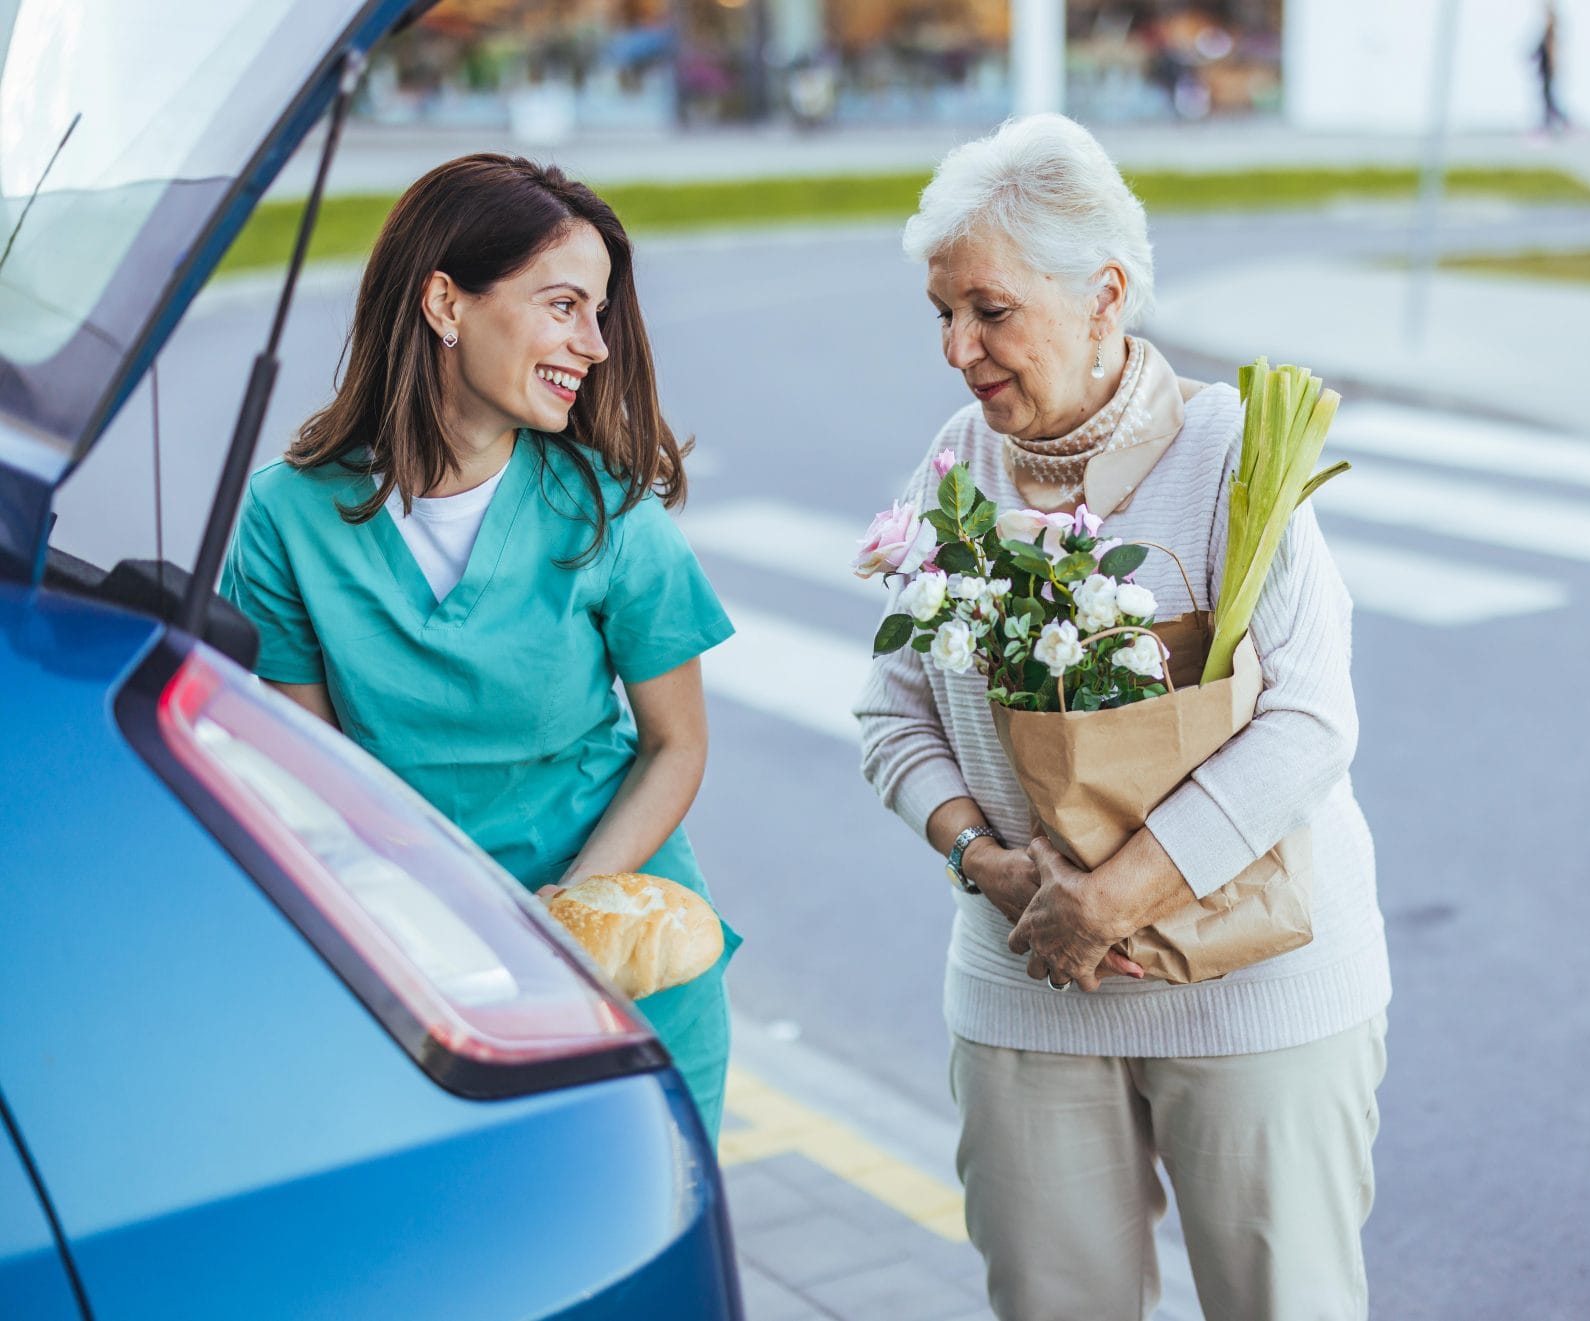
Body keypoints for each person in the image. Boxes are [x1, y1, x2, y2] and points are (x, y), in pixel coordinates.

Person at [854, 114, 1391, 1321]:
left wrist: (1109, 898)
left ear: (1104, 295)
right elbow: (891, 713)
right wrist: (982, 859)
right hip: (1029, 982)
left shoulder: (1233, 454)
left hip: (1258, 989)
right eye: (940, 315)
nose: (957, 348)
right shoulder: (955, 465)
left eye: (988, 310)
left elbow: (1306, 722)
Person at [221, 154, 739, 1137]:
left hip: (620, 957)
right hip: (407, 958)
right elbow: (312, 777)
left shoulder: (613, 515)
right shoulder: (286, 517)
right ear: (446, 303)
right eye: (563, 305)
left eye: (600, 312)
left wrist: (570, 915)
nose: (593, 343)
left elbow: (678, 745)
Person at [1534, 3, 1573, 136]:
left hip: (1548, 72)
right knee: (1548, 101)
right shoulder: (1547, 31)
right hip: (1545, 71)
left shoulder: (1550, 32)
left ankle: (1563, 125)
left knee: (1550, 101)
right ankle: (1550, 127)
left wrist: (1553, 68)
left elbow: (1551, 52)